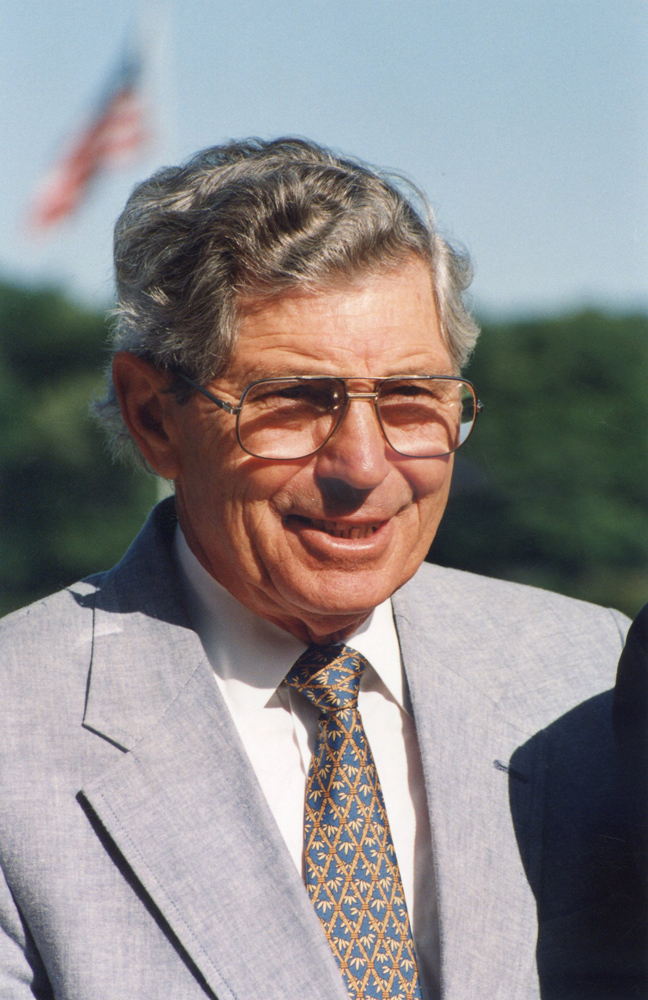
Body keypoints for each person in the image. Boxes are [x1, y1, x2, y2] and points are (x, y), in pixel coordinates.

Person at [0, 138, 633, 1000]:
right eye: (294, 401)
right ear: (154, 418)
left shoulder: (595, 686)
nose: (364, 465)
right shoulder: (16, 733)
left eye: (412, 397)